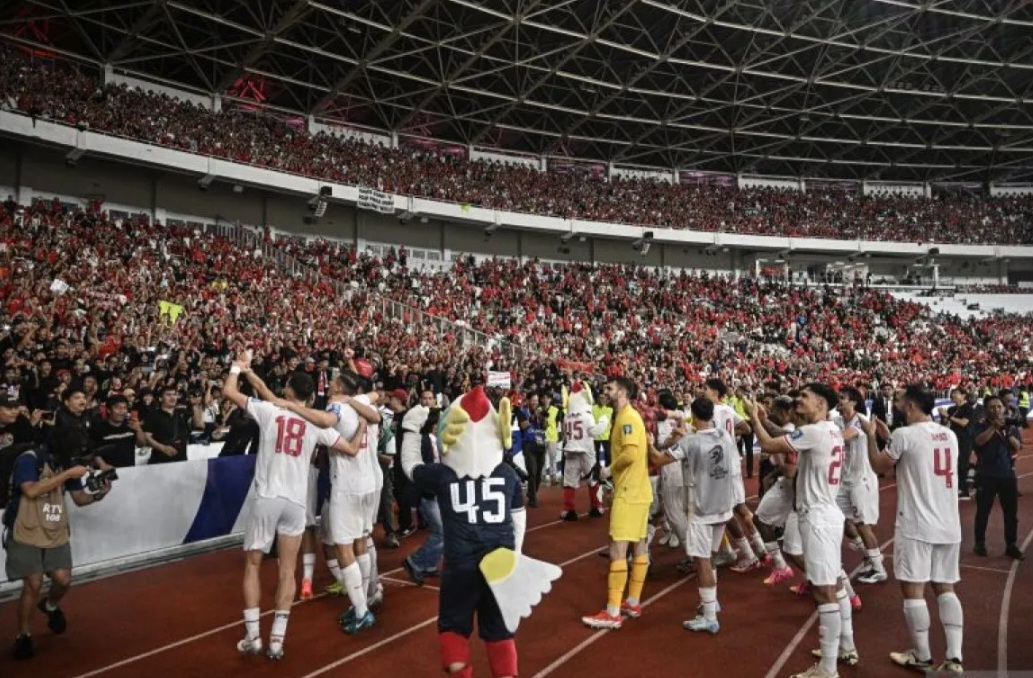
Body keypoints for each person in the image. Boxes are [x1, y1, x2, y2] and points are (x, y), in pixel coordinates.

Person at [222, 353, 365, 659]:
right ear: (312, 396)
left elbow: (229, 393)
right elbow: (352, 449)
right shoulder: (315, 422)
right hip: (296, 503)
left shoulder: (270, 410)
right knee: (288, 570)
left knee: (253, 565)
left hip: (267, 497)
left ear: (287, 391)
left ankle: (253, 637)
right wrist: (364, 421)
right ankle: (277, 640)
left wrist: (238, 368)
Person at [400, 385, 528, 678]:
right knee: (499, 631)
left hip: (460, 565)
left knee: (454, 627)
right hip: (500, 563)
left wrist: (410, 426)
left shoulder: (443, 477)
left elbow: (410, 466)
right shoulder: (507, 474)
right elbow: (518, 519)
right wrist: (516, 558)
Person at [751, 383, 857, 678]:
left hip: (818, 517)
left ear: (821, 405)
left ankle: (828, 668)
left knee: (825, 592)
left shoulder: (816, 432)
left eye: (805, 397)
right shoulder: (832, 429)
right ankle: (845, 648)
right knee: (834, 584)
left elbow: (770, 444)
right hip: (828, 512)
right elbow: (787, 435)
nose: (798, 400)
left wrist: (755, 419)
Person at [861, 384, 965, 675]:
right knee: (945, 587)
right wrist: (889, 437)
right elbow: (921, 455)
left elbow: (878, 466)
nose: (895, 404)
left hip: (916, 524)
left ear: (910, 406)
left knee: (913, 589)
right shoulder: (950, 435)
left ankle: (921, 655)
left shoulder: (904, 435)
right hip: (949, 524)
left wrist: (872, 437)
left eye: (898, 400)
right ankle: (954, 657)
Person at [3, 418, 112, 660]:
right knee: (32, 584)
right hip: (26, 527)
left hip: (54, 526)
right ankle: (24, 636)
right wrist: (67, 475)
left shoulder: (67, 465)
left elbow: (80, 500)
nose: (78, 455)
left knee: (63, 580)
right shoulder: (30, 459)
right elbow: (30, 490)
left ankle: (50, 605)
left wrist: (98, 495)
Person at [648, 397, 736, 634]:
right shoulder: (725, 436)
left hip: (702, 508)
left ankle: (709, 616)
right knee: (712, 556)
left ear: (694, 416)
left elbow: (658, 460)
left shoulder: (691, 442)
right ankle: (712, 601)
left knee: (702, 561)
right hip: (723, 507)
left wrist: (648, 443)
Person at [582, 376, 652, 630]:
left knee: (618, 548)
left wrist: (608, 471)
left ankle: (612, 611)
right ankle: (632, 601)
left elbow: (631, 453)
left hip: (629, 493)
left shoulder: (627, 419)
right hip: (639, 491)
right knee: (640, 544)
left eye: (609, 388)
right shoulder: (627, 417)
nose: (605, 390)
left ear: (622, 392)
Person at [972, 395, 1024, 560]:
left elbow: (1018, 446)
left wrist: (1008, 434)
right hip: (985, 476)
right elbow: (978, 442)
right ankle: (979, 543)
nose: (996, 410)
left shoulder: (1009, 427)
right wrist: (993, 428)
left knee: (1011, 514)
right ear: (986, 410)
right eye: (992, 407)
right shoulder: (980, 425)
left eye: (998, 407)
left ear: (1003, 408)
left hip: (1007, 475)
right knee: (983, 512)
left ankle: (1011, 545)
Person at [559, 382, 608, 520]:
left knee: (569, 482)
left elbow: (564, 435)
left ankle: (569, 510)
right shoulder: (587, 416)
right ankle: (596, 506)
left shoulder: (566, 417)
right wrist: (604, 422)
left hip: (571, 451)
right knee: (593, 479)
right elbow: (594, 431)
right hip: (587, 450)